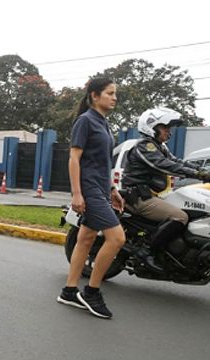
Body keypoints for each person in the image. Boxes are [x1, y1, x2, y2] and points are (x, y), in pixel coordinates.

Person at [56, 77, 125, 319]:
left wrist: (112, 189)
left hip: (100, 189)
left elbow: (103, 163)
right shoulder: (85, 121)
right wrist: (76, 193)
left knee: (85, 239)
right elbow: (74, 159)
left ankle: (69, 290)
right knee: (116, 238)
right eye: (110, 93)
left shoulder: (104, 123)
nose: (114, 97)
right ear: (95, 96)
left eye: (115, 93)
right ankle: (92, 292)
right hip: (88, 189)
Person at [121, 108, 210, 271]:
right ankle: (147, 250)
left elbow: (178, 162)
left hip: (151, 196)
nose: (169, 133)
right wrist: (198, 174)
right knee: (180, 217)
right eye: (165, 128)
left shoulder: (159, 147)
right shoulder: (144, 146)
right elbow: (163, 164)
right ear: (152, 128)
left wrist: (202, 171)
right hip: (139, 198)